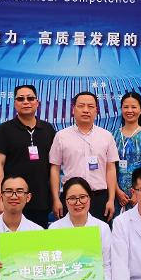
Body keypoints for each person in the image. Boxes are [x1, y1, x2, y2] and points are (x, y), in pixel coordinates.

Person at [0, 85, 56, 228]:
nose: (26, 102)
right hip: (12, 201)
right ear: (15, 103)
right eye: (21, 99)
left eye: (30, 98)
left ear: (37, 102)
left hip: (41, 201)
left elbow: (54, 167)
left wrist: (55, 198)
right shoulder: (4, 130)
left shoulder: (48, 129)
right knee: (11, 240)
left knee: (37, 240)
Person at [49, 91, 119, 223]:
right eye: (81, 106)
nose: (86, 110)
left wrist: (110, 199)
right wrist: (56, 199)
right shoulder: (61, 136)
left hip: (99, 198)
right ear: (73, 109)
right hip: (71, 198)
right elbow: (54, 169)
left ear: (96, 110)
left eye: (90, 106)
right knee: (71, 235)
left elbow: (111, 168)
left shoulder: (106, 136)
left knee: (99, 234)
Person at [112, 92, 141, 217]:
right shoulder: (112, 135)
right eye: (126, 107)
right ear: (121, 109)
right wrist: (117, 191)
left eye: (134, 107)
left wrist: (138, 192)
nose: (129, 110)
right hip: (116, 193)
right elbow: (109, 167)